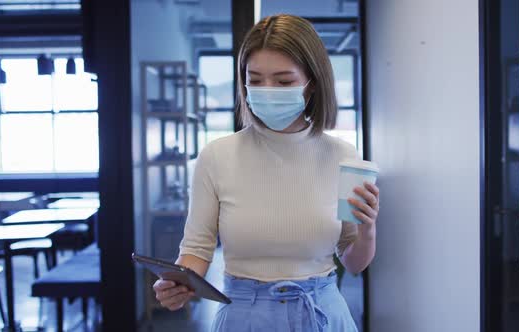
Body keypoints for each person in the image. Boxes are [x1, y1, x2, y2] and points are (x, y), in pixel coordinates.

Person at [153, 14, 380, 331]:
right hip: (244, 316)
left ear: (312, 83)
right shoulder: (217, 156)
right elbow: (195, 249)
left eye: (284, 81)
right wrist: (177, 284)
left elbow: (354, 261)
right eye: (255, 80)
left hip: (322, 315)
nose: (267, 90)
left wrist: (367, 229)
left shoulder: (344, 156)